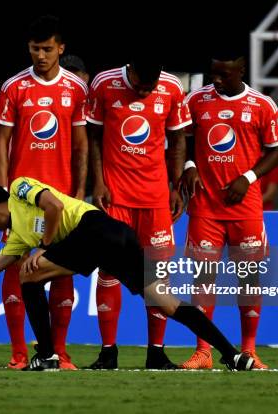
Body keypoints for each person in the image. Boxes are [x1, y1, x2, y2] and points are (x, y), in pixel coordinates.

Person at [0, 177, 256, 372]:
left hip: (97, 229)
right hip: (115, 237)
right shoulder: (18, 238)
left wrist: (45, 248)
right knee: (166, 303)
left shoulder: (20, 186)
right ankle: (233, 355)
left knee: (28, 275)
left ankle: (48, 354)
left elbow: (55, 206)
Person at [0, 15, 88, 370]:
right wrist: (2, 194)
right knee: (15, 269)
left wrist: (79, 192)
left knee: (62, 273)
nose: (41, 56)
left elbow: (81, 145)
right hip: (21, 199)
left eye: (48, 49)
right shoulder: (14, 87)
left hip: (59, 202)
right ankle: (19, 353)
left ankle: (59, 352)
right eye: (35, 49)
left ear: (61, 48)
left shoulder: (76, 90)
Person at [179, 50, 278, 370]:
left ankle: (250, 349)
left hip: (245, 207)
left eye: (224, 74)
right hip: (205, 206)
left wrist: (248, 177)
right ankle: (203, 352)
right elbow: (182, 139)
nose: (217, 80)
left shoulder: (262, 105)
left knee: (249, 278)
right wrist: (189, 164)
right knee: (203, 280)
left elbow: (276, 149)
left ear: (241, 70)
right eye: (213, 73)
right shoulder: (196, 101)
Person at [85, 54, 190, 369]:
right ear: (130, 70)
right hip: (115, 198)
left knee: (157, 276)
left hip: (156, 199)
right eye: (142, 87)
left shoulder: (171, 87)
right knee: (109, 271)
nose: (146, 92)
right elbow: (93, 137)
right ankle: (108, 352)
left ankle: (156, 352)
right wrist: (99, 183)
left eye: (151, 87)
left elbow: (178, 139)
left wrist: (174, 187)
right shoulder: (104, 84)